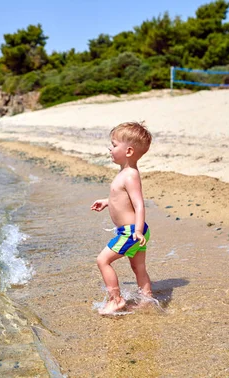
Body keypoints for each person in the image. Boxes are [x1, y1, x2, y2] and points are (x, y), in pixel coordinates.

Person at [90, 121, 153, 314]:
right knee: (138, 267)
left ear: (129, 151)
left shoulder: (130, 175)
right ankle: (147, 298)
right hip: (135, 230)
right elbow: (121, 197)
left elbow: (138, 204)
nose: (110, 148)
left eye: (114, 145)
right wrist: (107, 201)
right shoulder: (124, 172)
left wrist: (138, 230)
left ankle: (115, 299)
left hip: (132, 232)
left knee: (103, 261)